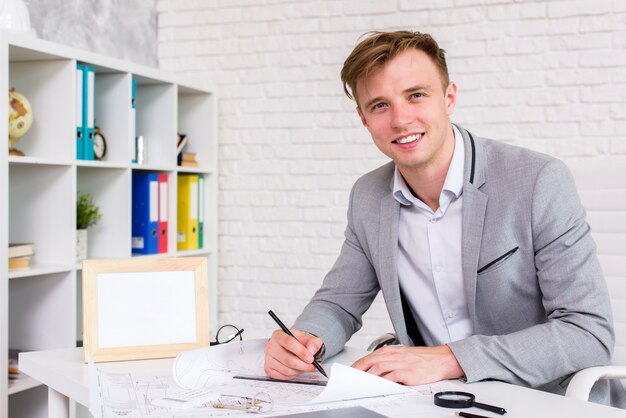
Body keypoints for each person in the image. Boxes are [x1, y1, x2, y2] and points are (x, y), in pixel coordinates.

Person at [264, 30, 621, 406]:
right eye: (380, 105)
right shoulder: (368, 196)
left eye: (416, 95)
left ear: (449, 97)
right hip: (431, 400)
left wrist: (450, 358)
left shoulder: (537, 181)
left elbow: (587, 333)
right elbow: (339, 303)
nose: (401, 119)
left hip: (541, 399)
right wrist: (305, 339)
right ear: (364, 119)